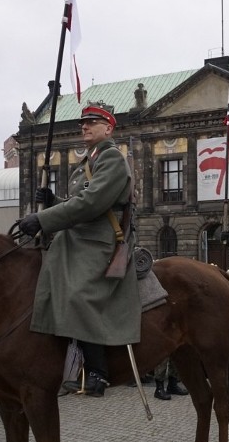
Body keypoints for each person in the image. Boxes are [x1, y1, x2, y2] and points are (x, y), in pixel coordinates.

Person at [20, 104, 140, 398]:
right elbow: (80, 200)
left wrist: (43, 219)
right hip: (81, 235)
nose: (84, 127)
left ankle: (98, 371)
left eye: (92, 123)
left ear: (108, 129)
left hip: (101, 241)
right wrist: (52, 201)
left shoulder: (112, 158)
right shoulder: (90, 161)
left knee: (77, 293)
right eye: (82, 123)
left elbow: (91, 204)